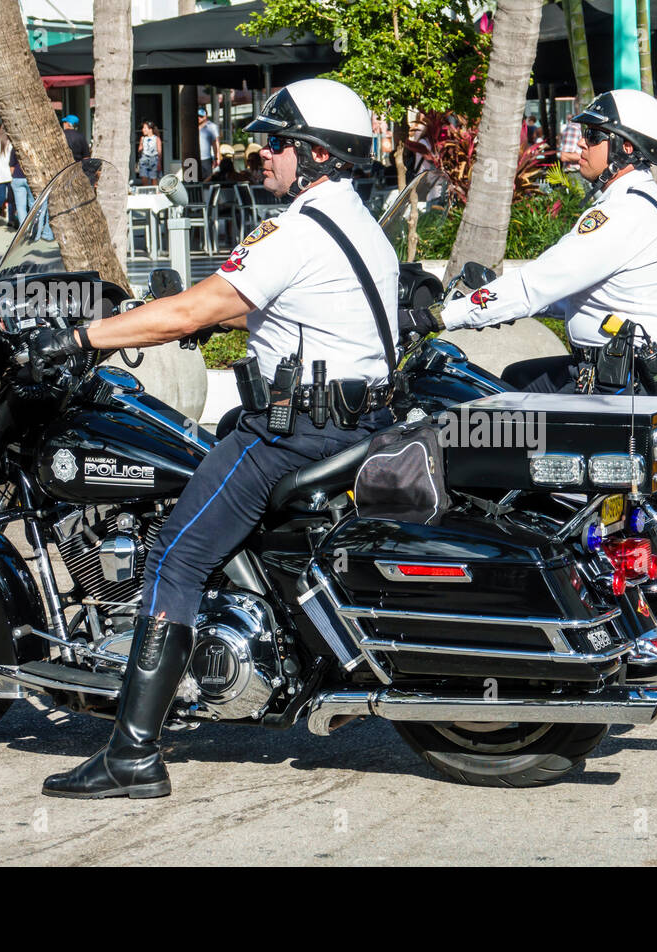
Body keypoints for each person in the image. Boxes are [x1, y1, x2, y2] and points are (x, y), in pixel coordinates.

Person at [37, 78, 397, 801]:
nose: (260, 155)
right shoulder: (356, 221)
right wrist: (202, 318)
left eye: (275, 144)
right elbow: (273, 309)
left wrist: (79, 335)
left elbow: (199, 305)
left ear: (315, 155)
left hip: (294, 436)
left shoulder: (295, 228)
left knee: (174, 555)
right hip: (357, 421)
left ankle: (133, 754)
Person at [400, 89, 657, 397]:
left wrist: (436, 317)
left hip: (631, 385)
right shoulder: (652, 201)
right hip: (642, 371)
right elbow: (586, 292)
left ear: (626, 147)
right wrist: (504, 305)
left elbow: (535, 284)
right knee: (515, 379)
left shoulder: (622, 214)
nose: (581, 142)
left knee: (483, 408)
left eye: (593, 134)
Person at [7, 146, 32, 228]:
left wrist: (13, 176)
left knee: (21, 206)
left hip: (17, 177)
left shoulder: (15, 147)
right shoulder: (32, 146)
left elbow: (11, 165)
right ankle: (33, 228)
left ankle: (24, 228)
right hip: (31, 177)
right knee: (32, 204)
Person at [137, 120, 162, 185]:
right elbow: (140, 149)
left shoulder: (156, 138)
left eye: (145, 128)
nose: (143, 130)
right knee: (144, 177)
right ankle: (146, 192)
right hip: (144, 158)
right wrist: (140, 149)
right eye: (143, 128)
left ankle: (154, 193)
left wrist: (159, 163)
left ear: (150, 129)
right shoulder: (142, 138)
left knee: (154, 177)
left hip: (154, 159)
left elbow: (159, 151)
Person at [198, 108, 220, 180]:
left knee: (207, 180)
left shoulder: (212, 126)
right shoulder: (191, 126)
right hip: (193, 159)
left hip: (206, 159)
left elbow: (215, 143)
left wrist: (217, 158)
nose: (199, 118)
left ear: (206, 116)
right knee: (192, 181)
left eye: (201, 116)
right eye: (198, 116)